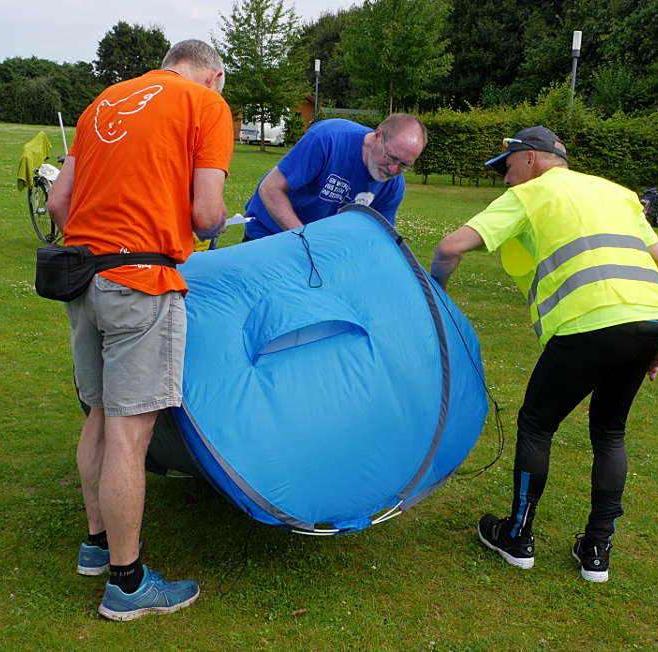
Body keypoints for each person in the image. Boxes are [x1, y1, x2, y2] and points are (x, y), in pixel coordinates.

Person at [431, 126, 658, 583]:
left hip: (588, 323)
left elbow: (449, 247)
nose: (505, 179)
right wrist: (655, 338)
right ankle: (597, 551)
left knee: (538, 424)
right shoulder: (617, 192)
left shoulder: (532, 193)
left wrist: (436, 298)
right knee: (609, 431)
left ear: (528, 159)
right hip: (651, 318)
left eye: (506, 168)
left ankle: (518, 536)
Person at [47, 40, 233, 620]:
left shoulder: (104, 100)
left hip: (82, 279)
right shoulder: (207, 106)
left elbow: (59, 202)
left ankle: (96, 545)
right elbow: (206, 215)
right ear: (215, 75)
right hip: (142, 283)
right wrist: (215, 220)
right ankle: (127, 585)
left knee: (100, 415)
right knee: (131, 434)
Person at [242, 114, 427, 240]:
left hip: (315, 247)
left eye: (404, 165)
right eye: (391, 157)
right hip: (268, 234)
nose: (394, 169)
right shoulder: (329, 139)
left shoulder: (393, 185)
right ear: (378, 135)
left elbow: (376, 235)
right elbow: (270, 188)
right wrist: (306, 240)